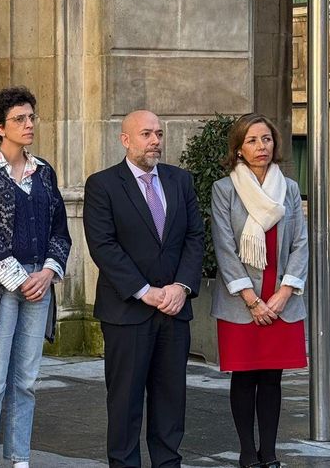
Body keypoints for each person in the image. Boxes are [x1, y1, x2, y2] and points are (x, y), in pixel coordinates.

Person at [82, 109, 205, 468]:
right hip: (128, 313)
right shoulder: (103, 184)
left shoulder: (180, 180)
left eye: (159, 134)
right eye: (147, 134)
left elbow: (194, 237)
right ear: (126, 140)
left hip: (174, 310)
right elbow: (103, 246)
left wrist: (181, 286)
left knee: (171, 401)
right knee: (125, 403)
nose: (155, 141)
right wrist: (145, 291)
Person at [0, 86, 71, 468]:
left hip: (39, 283)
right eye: (19, 119)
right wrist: (18, 278)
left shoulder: (44, 171)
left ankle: (20, 457)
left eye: (31, 117)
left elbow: (61, 230)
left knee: (26, 380)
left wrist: (46, 273)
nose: (28, 125)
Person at [211, 113, 308, 468]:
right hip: (243, 302)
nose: (260, 146)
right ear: (238, 148)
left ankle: (269, 450)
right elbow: (224, 247)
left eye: (266, 139)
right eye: (252, 140)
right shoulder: (224, 190)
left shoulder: (291, 189)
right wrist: (252, 300)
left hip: (281, 300)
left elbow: (300, 245)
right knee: (245, 375)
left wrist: (283, 295)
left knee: (272, 378)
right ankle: (247, 452)